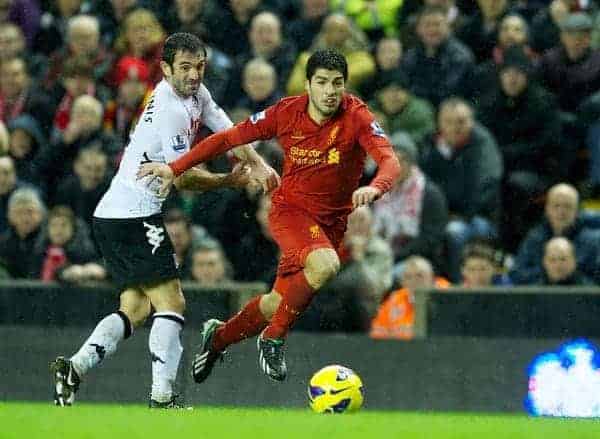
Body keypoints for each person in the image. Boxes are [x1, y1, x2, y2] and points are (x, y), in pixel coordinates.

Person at [138, 48, 401, 383]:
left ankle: (218, 338)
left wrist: (376, 187)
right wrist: (174, 167)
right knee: (327, 265)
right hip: (290, 211)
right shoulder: (285, 112)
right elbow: (227, 139)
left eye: (337, 83)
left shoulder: (357, 115)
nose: (330, 91)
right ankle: (273, 338)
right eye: (322, 82)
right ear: (307, 85)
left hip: (330, 224)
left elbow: (390, 161)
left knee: (276, 303)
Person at [50, 32, 278, 409]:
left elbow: (229, 131)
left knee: (136, 308)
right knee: (172, 301)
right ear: (166, 68)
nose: (193, 75)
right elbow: (183, 176)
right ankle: (162, 397)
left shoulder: (196, 95)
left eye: (199, 66)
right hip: (132, 214)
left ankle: (73, 368)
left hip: (115, 214)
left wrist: (260, 163)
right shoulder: (170, 108)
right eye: (185, 68)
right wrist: (228, 180)